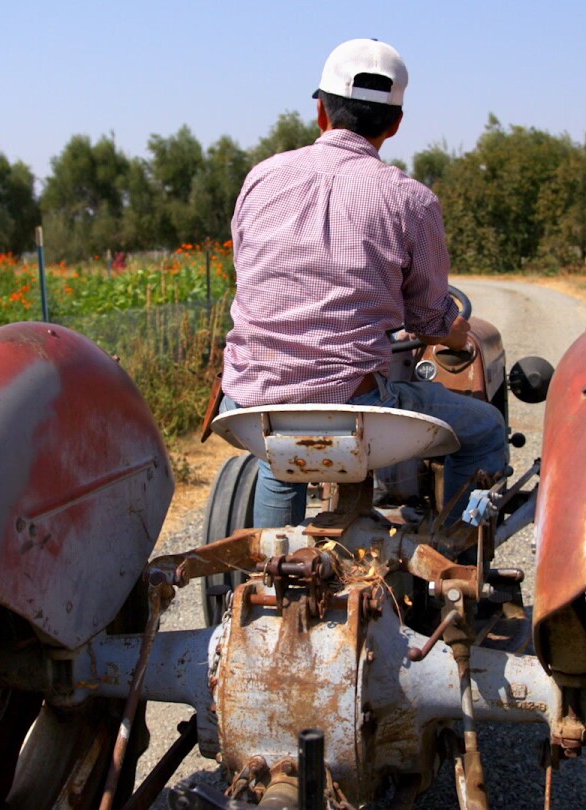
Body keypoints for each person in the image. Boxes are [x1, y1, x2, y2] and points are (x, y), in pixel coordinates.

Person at [220, 38, 508, 528]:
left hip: (247, 401)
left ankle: (266, 569)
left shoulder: (260, 179)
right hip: (351, 397)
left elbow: (248, 271)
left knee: (277, 454)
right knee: (484, 428)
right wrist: (457, 333)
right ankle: (454, 555)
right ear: (394, 124)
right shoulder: (409, 200)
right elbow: (430, 319)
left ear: (320, 112)